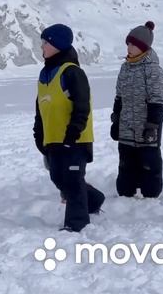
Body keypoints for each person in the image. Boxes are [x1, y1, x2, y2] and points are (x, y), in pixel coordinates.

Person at [33, 24, 105, 232]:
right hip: (53, 140)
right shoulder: (45, 75)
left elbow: (82, 105)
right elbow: (41, 109)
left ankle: (76, 225)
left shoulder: (72, 72)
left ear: (57, 45)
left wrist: (74, 131)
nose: (42, 47)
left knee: (73, 181)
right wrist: (39, 134)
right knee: (59, 178)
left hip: (75, 140)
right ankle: (93, 199)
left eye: (46, 43)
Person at [110, 21, 163, 198]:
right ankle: (128, 187)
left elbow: (157, 101)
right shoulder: (125, 68)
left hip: (146, 127)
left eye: (133, 44)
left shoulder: (153, 70)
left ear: (143, 47)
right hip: (127, 126)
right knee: (126, 165)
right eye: (128, 43)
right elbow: (119, 96)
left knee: (149, 162)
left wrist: (152, 125)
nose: (129, 47)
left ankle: (151, 188)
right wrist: (116, 120)